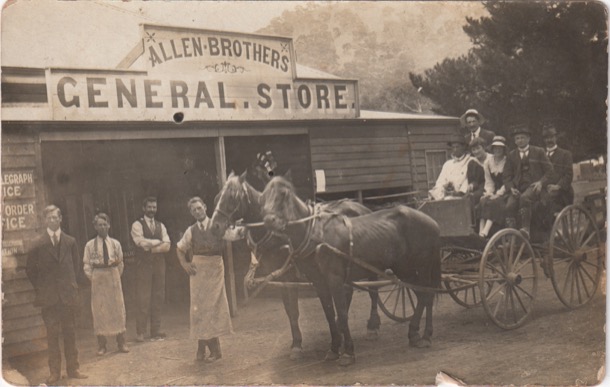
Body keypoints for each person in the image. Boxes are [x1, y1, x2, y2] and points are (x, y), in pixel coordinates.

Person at [25, 205, 88, 384]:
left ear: (60, 219)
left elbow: (75, 268)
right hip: (49, 298)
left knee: (70, 333)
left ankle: (73, 368)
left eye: (55, 217)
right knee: (52, 335)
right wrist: (42, 288)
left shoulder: (70, 242)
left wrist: (69, 286)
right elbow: (30, 270)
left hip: (67, 296)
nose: (52, 220)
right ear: (45, 220)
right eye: (49, 218)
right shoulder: (38, 243)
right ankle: (54, 372)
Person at [177, 197, 233, 363]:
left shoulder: (217, 225)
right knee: (200, 309)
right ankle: (207, 348)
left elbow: (233, 235)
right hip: (198, 271)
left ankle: (208, 348)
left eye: (199, 208)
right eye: (193, 210)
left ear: (206, 207)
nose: (197, 212)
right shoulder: (191, 230)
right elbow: (179, 249)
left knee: (213, 308)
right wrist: (185, 264)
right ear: (191, 213)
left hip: (215, 269)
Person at [83, 213, 129, 356]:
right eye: (99, 224)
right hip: (98, 278)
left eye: (105, 224)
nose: (102, 227)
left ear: (109, 225)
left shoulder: (115, 243)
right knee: (100, 310)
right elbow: (86, 265)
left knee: (117, 309)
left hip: (113, 276)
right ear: (95, 226)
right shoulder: (90, 245)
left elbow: (120, 263)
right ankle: (102, 345)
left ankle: (121, 342)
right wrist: (95, 278)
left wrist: (114, 276)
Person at [131, 196, 171, 342]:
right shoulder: (137, 225)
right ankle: (140, 332)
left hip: (159, 265)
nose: (152, 210)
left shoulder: (161, 225)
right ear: (144, 208)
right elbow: (140, 243)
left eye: (154, 207)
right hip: (144, 266)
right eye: (149, 207)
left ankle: (155, 330)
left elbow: (167, 245)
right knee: (143, 297)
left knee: (158, 296)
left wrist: (151, 248)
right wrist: (157, 243)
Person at [503, 125, 553, 239]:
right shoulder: (511, 155)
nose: (520, 140)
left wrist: (541, 182)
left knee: (525, 198)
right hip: (517, 187)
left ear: (528, 139)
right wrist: (511, 188)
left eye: (522, 138)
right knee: (509, 205)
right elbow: (506, 176)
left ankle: (525, 229)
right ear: (515, 141)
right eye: (517, 138)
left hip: (534, 187)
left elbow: (550, 171)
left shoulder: (538, 151)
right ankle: (511, 234)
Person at [479, 136, 509, 238]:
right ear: (492, 149)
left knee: (495, 202)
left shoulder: (507, 162)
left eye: (500, 148)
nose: (498, 150)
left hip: (506, 190)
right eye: (495, 148)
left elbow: (508, 181)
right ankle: (480, 232)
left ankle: (486, 231)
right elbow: (489, 181)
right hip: (494, 190)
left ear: (504, 149)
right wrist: (489, 192)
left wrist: (498, 194)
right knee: (483, 200)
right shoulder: (488, 162)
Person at [541, 123, 574, 216]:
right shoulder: (541, 155)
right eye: (547, 138)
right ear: (544, 140)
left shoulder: (565, 154)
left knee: (546, 202)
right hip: (546, 192)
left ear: (556, 138)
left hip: (562, 193)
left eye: (551, 137)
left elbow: (568, 175)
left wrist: (558, 186)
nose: (549, 140)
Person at [429, 135, 473, 200]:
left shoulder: (470, 161)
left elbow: (468, 182)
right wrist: (444, 187)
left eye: (457, 147)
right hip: (446, 195)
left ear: (464, 147)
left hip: (463, 197)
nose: (455, 149)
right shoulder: (448, 164)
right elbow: (440, 181)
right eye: (453, 147)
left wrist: (457, 191)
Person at [467, 137, 490, 208]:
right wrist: (472, 184)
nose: (476, 151)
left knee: (475, 199)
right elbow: (472, 180)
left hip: (491, 188)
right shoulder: (472, 163)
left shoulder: (491, 159)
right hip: (478, 189)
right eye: (473, 150)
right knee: (466, 198)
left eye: (478, 148)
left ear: (484, 147)